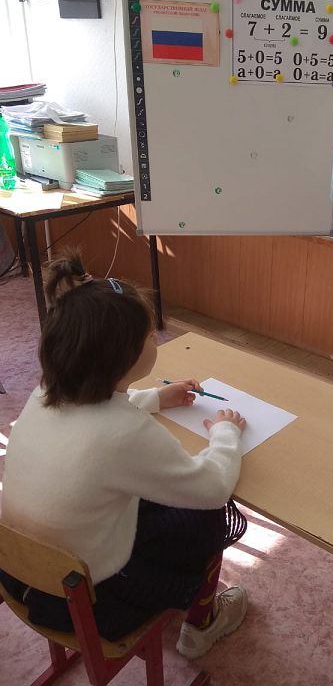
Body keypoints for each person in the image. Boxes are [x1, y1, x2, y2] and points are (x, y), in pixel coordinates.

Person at [0, 250, 248, 659]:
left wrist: (154, 398)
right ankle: (203, 621)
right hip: (90, 604)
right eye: (150, 337)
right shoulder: (126, 433)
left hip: (20, 572)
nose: (156, 341)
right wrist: (225, 433)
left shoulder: (45, 391)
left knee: (148, 494)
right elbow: (213, 487)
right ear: (124, 356)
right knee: (211, 515)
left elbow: (97, 411)